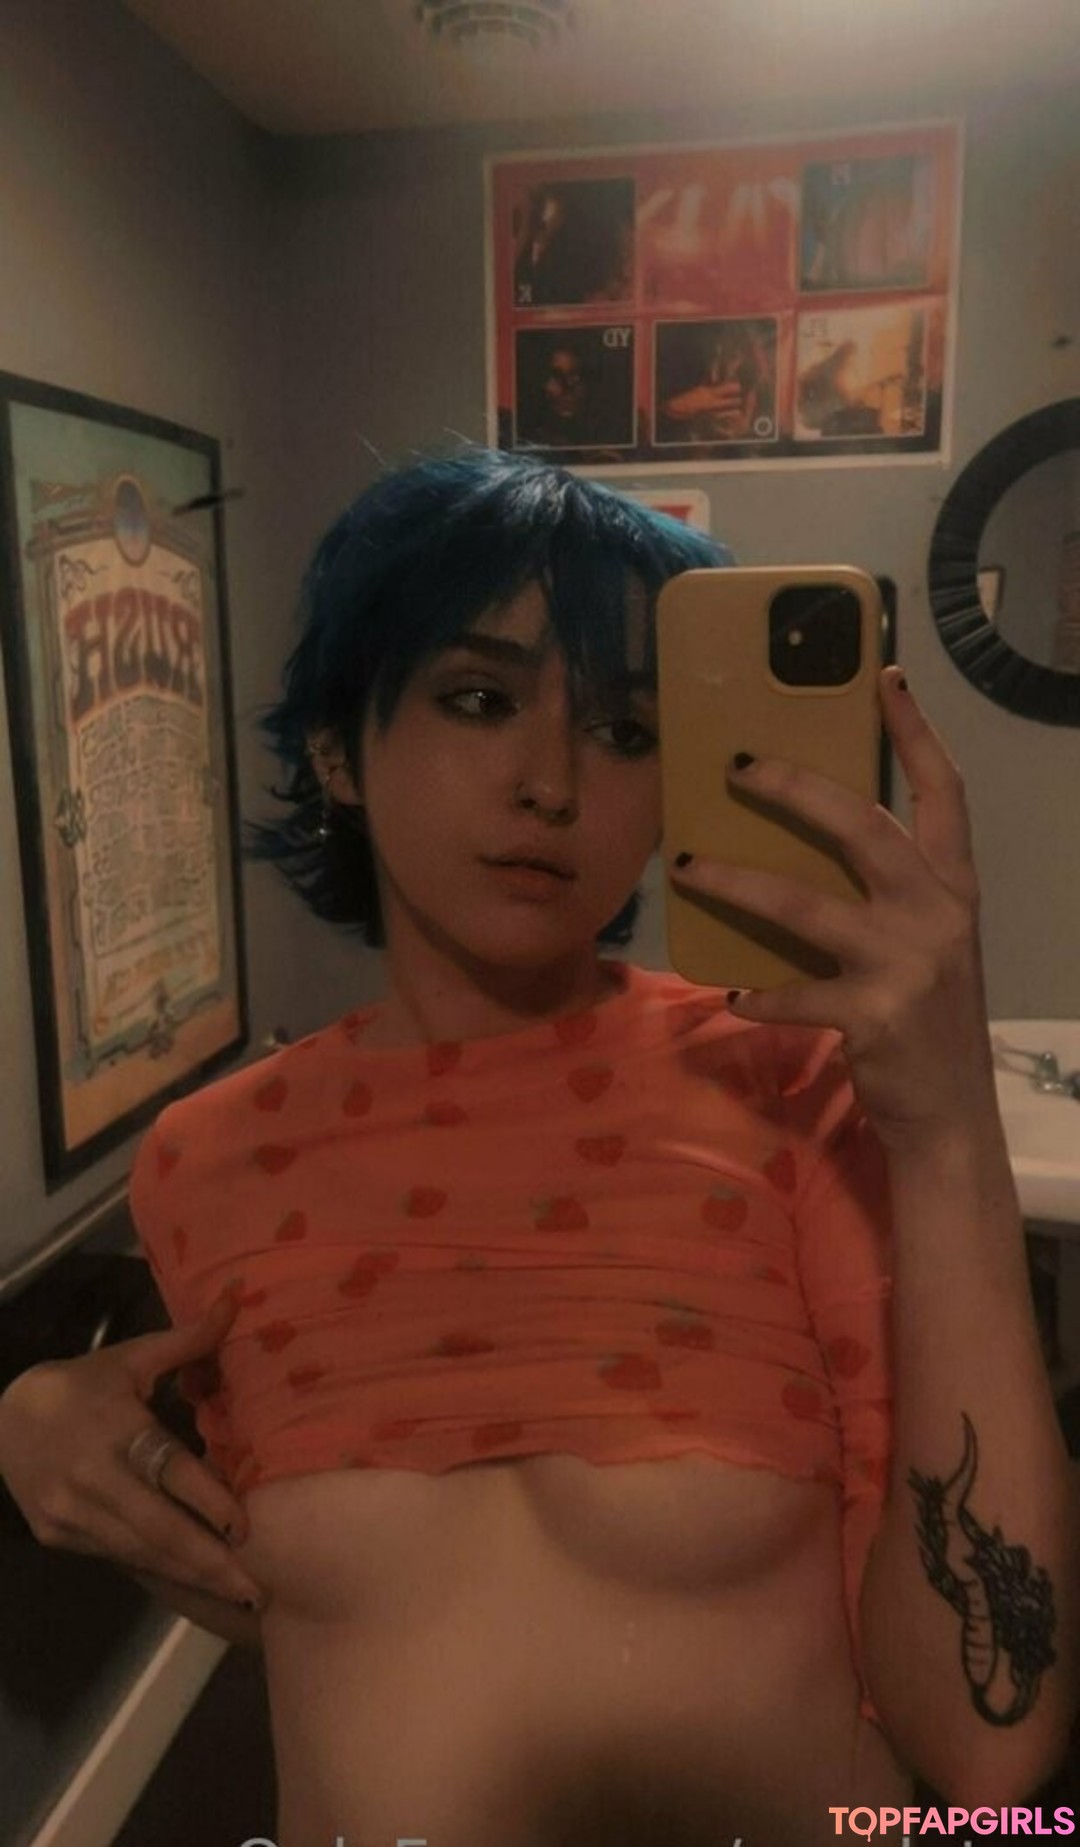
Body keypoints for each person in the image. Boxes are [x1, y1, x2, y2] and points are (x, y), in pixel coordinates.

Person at [1, 449, 1076, 1846]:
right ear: (336, 749)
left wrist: (946, 1132)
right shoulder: (209, 1162)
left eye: (627, 729)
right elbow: (312, 1611)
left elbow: (989, 1758)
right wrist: (45, 1434)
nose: (553, 783)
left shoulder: (787, 1080)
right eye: (479, 699)